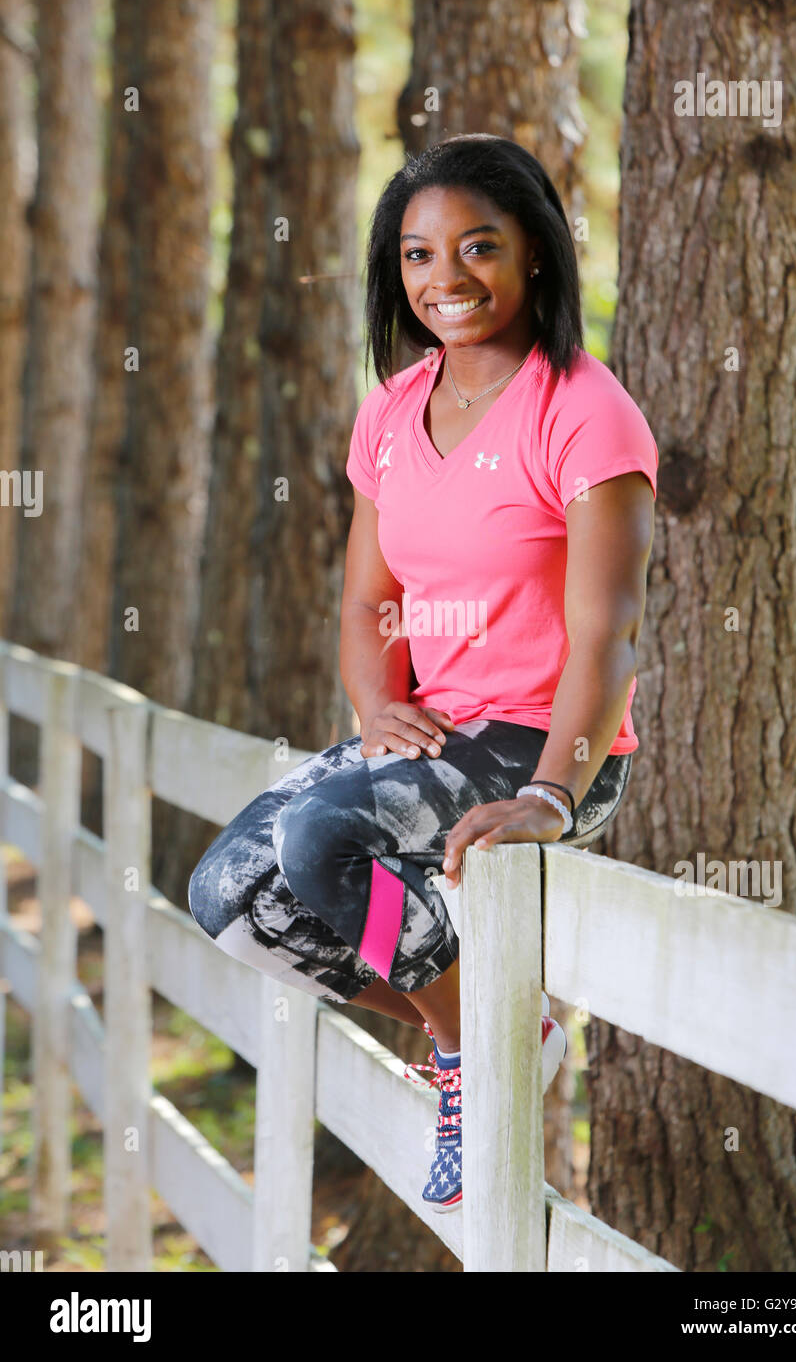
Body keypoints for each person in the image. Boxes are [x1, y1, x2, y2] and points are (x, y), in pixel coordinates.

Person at [188, 133, 657, 1216]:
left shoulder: (583, 410)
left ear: (535, 252)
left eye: (477, 247)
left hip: (546, 742)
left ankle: (469, 1051)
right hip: (434, 731)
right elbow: (367, 603)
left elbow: (606, 635)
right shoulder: (392, 411)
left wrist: (549, 791)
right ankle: (491, 1023)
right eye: (415, 255)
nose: (443, 279)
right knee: (227, 898)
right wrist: (372, 702)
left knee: (320, 842)